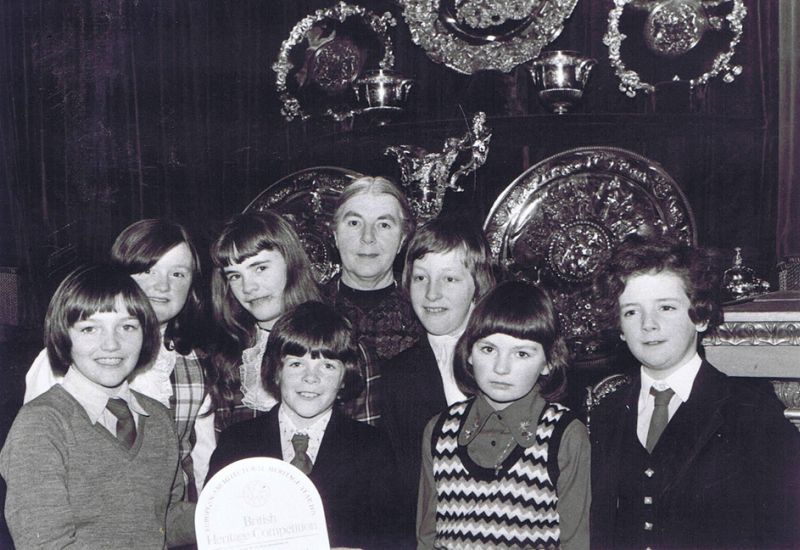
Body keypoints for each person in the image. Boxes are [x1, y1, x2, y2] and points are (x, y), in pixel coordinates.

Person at [590, 237, 800, 550]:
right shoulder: (607, 412)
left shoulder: (751, 410)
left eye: (666, 307)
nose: (649, 324)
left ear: (700, 316)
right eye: (632, 312)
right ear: (619, 327)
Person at [1, 264, 195, 548]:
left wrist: (226, 513)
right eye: (90, 329)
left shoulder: (158, 418)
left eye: (127, 327)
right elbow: (45, 544)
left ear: (146, 335)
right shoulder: (41, 425)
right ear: (64, 335)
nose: (112, 344)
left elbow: (162, 520)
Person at [23, 218, 213, 498]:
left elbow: (203, 459)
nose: (162, 286)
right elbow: (33, 464)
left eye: (178, 274)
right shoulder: (69, 357)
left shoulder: (196, 365)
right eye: (148, 271)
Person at [205, 301, 402, 549]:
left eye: (327, 366)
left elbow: (395, 537)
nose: (311, 378)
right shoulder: (237, 442)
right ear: (276, 371)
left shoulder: (372, 447)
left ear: (345, 378)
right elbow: (214, 528)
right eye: (297, 364)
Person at [417, 281, 591, 550]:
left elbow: (577, 542)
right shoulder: (440, 431)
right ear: (469, 353)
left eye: (521, 353)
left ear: (548, 362)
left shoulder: (564, 435)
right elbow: (427, 537)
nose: (501, 368)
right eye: (488, 349)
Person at [380, 214, 495, 542]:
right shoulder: (397, 377)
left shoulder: (513, 359)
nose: (431, 294)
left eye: (449, 279)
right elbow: (402, 497)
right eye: (420, 278)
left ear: (478, 284)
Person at [323, 175, 424, 425]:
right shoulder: (309, 308)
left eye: (384, 225)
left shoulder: (427, 309)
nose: (368, 237)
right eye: (355, 222)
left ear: (403, 239)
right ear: (334, 235)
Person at [209, 210, 321, 432]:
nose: (248, 287)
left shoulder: (341, 345)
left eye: (260, 268)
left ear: (291, 263)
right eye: (235, 276)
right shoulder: (225, 360)